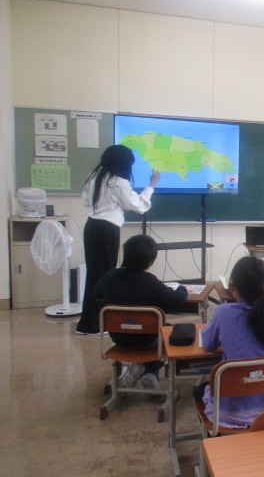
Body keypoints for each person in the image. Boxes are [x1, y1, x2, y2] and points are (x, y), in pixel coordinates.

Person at [198, 256, 264, 428]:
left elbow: (208, 344)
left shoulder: (223, 312)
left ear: (233, 289)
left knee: (201, 389)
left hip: (227, 412)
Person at [76, 145, 160, 335]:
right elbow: (137, 205)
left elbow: (86, 201)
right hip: (107, 230)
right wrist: (152, 184)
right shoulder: (118, 182)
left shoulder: (94, 176)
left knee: (94, 274)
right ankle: (97, 325)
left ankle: (88, 323)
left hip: (91, 227)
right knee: (107, 275)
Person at [93, 234, 189, 389]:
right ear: (150, 263)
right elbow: (177, 300)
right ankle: (150, 371)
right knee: (173, 331)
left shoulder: (110, 276)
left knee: (152, 329)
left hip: (118, 336)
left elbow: (96, 292)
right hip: (147, 340)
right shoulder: (149, 281)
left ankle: (139, 369)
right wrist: (182, 289)